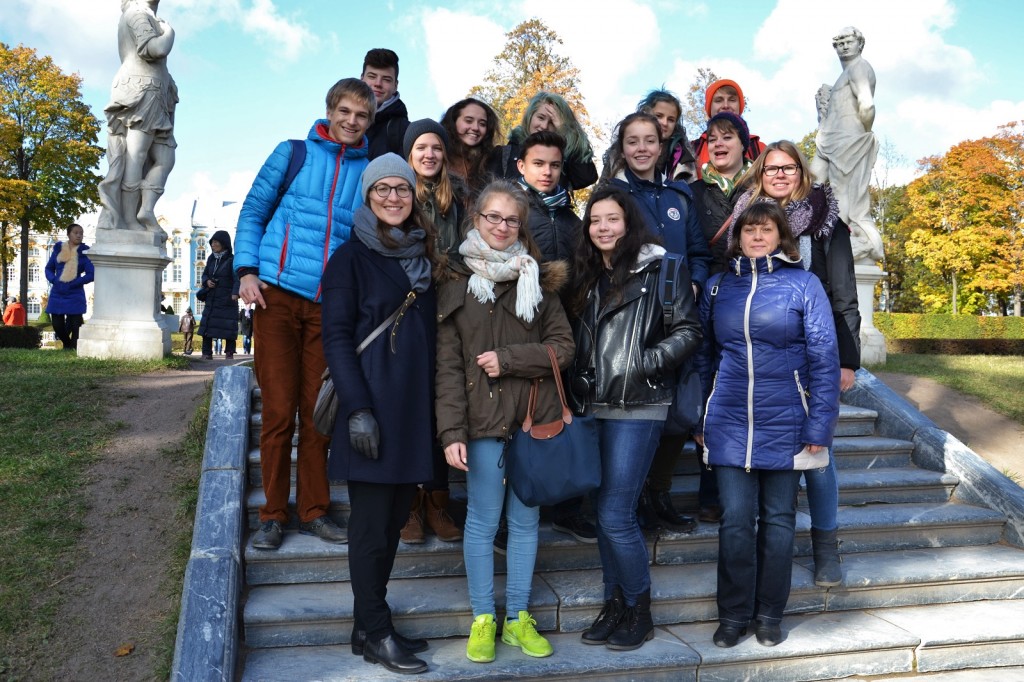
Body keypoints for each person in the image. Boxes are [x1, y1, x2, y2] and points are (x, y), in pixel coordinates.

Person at [435, 180, 573, 664]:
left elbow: (564, 348)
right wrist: (451, 433)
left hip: (532, 422)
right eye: (492, 217)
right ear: (476, 221)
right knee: (481, 521)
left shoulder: (538, 280)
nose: (500, 226)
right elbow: (448, 367)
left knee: (525, 520)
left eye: (510, 219)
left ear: (521, 225)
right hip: (481, 425)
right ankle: (483, 618)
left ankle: (517, 618)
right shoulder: (454, 282)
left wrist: (510, 359)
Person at [235, 77, 374, 551]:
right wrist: (247, 270)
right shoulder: (292, 153)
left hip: (328, 308)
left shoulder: (370, 171)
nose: (352, 122)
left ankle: (314, 510)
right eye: (346, 112)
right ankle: (272, 514)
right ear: (330, 111)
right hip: (275, 297)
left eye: (362, 115)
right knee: (277, 412)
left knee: (318, 414)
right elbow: (254, 210)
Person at [695, 200, 840, 648]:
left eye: (766, 230)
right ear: (738, 237)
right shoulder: (719, 287)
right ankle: (734, 615)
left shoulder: (804, 285)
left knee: (778, 521)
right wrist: (700, 416)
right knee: (735, 521)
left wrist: (820, 426)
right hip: (730, 421)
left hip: (788, 420)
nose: (757, 237)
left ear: (781, 237)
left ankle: (769, 614)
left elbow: (824, 357)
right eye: (750, 230)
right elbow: (703, 357)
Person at [566, 185, 702, 651]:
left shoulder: (663, 268)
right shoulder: (586, 276)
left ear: (629, 223)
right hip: (594, 405)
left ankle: (640, 609)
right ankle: (614, 603)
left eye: (612, 219)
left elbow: (689, 330)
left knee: (615, 513)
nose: (603, 228)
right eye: (595, 220)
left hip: (638, 405)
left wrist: (645, 361)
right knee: (603, 513)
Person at [321, 154, 441, 675]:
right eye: (382, 189)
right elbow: (337, 339)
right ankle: (375, 631)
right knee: (370, 528)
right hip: (370, 409)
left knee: (393, 522)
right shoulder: (349, 258)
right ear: (367, 196)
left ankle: (367, 622)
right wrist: (358, 409)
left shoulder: (422, 254)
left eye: (402, 190)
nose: (394, 198)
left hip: (411, 407)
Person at [727, 139, 861, 586]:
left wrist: (847, 359)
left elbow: (842, 292)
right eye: (772, 168)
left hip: (815, 351)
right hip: (762, 358)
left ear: (802, 173)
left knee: (819, 453)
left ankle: (827, 546)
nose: (780, 175)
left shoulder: (825, 221)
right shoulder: (746, 218)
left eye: (789, 168)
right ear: (760, 173)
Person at [606, 111, 711, 532]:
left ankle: (659, 492)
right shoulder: (613, 195)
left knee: (678, 409)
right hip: (633, 320)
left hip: (678, 319)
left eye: (650, 140)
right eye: (633, 141)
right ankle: (631, 497)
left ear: (662, 146)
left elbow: (700, 254)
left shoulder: (678, 197)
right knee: (640, 407)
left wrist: (697, 283)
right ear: (623, 147)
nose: (642, 148)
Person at [397, 119, 466, 545]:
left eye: (436, 147)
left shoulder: (456, 198)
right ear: (409, 153)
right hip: (408, 308)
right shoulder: (397, 193)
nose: (429, 154)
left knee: (442, 405)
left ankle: (439, 500)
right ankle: (410, 504)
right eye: (421, 146)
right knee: (409, 406)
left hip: (450, 308)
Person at [687, 111, 756, 522]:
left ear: (743, 144)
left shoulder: (759, 187)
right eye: (712, 138)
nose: (718, 144)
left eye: (727, 136)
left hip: (753, 297)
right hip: (712, 299)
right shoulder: (692, 192)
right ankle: (711, 490)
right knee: (712, 388)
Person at [98, 0, 177, 232]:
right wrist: (170, 32)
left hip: (157, 94)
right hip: (143, 91)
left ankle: (146, 210)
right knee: (135, 155)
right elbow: (156, 49)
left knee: (165, 158)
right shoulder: (136, 12)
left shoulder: (146, 14)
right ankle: (129, 219)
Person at [809, 27, 883, 262]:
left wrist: (862, 135)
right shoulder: (847, 71)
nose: (843, 46)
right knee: (809, 186)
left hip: (848, 139)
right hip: (829, 139)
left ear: (860, 44)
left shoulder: (860, 67)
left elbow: (867, 105)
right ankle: (810, 237)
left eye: (848, 41)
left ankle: (840, 241)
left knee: (841, 192)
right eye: (838, 42)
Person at [489, 91, 598, 193]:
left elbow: (586, 177)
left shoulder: (564, 158)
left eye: (552, 122)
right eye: (541, 118)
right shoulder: (503, 154)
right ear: (530, 116)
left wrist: (566, 131)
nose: (544, 126)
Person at [691, 79, 766, 179]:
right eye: (718, 100)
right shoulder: (693, 150)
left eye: (732, 100)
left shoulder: (759, 149)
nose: (726, 105)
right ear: (709, 107)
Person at [440, 98, 502, 200]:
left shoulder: (491, 162)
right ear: (454, 121)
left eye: (482, 124)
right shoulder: (439, 156)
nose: (475, 128)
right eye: (468, 121)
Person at [45, 223, 95, 350]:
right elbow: (49, 268)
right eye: (76, 233)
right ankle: (67, 344)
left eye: (81, 233)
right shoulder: (58, 249)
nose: (79, 235)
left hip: (75, 292)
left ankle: (73, 347)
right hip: (58, 291)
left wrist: (76, 282)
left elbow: (92, 274)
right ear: (68, 234)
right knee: (57, 324)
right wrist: (54, 280)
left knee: (75, 323)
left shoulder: (84, 252)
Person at [197, 230, 239, 360]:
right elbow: (205, 274)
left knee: (228, 326)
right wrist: (206, 281)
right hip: (212, 297)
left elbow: (237, 277)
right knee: (207, 325)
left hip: (227, 298)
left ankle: (229, 352)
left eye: (216, 242)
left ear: (224, 243)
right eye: (212, 242)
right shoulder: (211, 258)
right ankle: (206, 353)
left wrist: (235, 293)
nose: (213, 245)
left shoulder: (232, 260)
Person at [361, 48, 409, 160]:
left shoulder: (404, 131)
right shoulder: (341, 120)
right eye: (372, 76)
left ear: (395, 85)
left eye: (386, 79)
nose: (378, 84)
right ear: (362, 78)